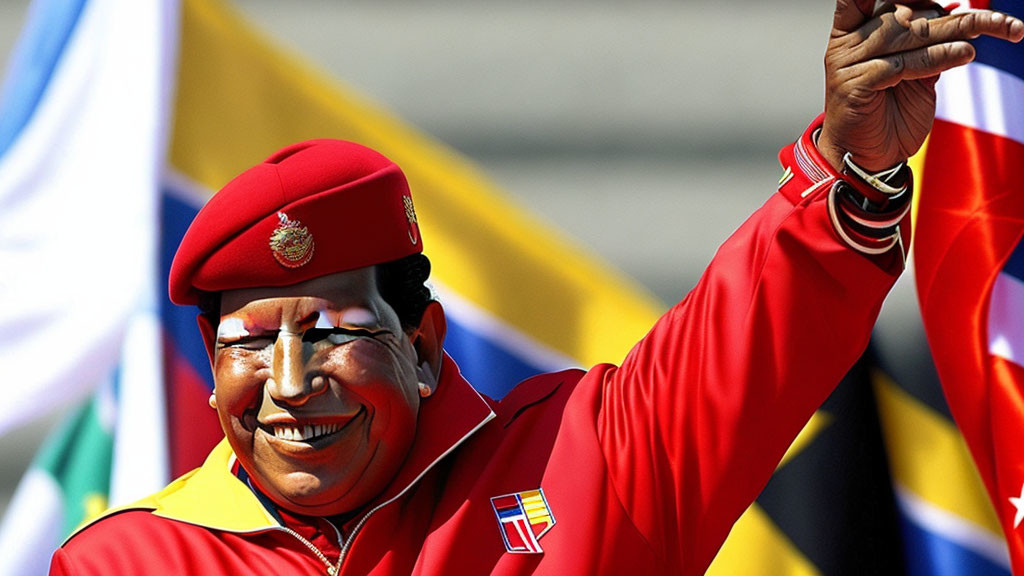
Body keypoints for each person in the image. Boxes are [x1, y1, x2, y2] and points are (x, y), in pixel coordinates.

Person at [49, 2, 1024, 575]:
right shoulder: (127, 561)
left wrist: (847, 173)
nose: (291, 380)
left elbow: (753, 331)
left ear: (423, 343)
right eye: (249, 345)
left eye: (331, 327)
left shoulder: (583, 460)